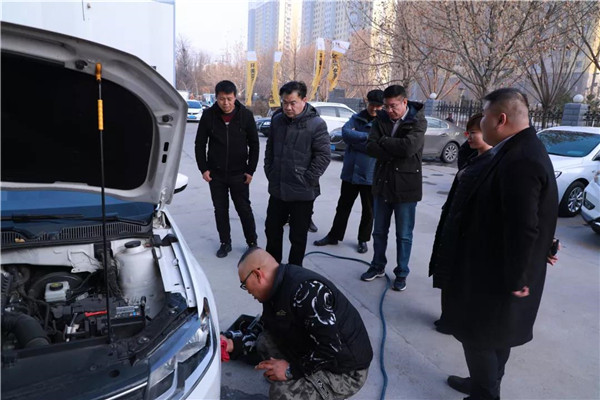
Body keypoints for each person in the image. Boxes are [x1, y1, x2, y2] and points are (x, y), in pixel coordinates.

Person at [441, 88, 558, 400]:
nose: (480, 123)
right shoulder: (517, 149)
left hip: (498, 272)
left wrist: (519, 277)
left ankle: (485, 393)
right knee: (495, 335)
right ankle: (484, 383)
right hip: (498, 265)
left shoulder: (521, 159)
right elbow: (533, 212)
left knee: (478, 336)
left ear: (500, 119)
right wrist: (547, 243)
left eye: (484, 116)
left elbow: (524, 226)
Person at [238, 247, 372, 400]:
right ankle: (299, 379)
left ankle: (319, 390)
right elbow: (267, 324)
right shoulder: (275, 289)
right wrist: (234, 343)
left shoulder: (307, 293)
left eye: (244, 284)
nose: (247, 290)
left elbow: (330, 348)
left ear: (257, 275)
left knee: (282, 394)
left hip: (345, 370)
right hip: (314, 349)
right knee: (264, 341)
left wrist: (290, 370)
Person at [428, 113, 492, 335]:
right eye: (468, 133)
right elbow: (464, 153)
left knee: (458, 278)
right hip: (453, 221)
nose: (469, 137)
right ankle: (447, 317)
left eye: (474, 133)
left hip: (466, 230)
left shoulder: (491, 163)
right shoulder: (474, 157)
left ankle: (455, 321)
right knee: (447, 273)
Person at [359, 85, 427, 291]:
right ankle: (377, 265)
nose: (389, 110)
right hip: (383, 183)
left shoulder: (418, 121)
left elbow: (408, 148)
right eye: (386, 106)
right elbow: (370, 146)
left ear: (404, 102)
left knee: (403, 235)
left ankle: (402, 272)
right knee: (379, 231)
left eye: (393, 106)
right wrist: (392, 147)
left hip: (406, 186)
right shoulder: (380, 119)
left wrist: (384, 141)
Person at [264, 81, 330, 266]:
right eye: (284, 102)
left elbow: (323, 156)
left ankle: (294, 270)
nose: (288, 107)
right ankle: (273, 268)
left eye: (292, 103)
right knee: (272, 230)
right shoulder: (277, 120)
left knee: (298, 236)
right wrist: (270, 170)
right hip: (278, 188)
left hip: (302, 192)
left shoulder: (316, 124)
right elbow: (270, 148)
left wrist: (307, 179)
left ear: (304, 100)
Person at [313, 89, 384, 253]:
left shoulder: (383, 123)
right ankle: (334, 236)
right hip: (351, 172)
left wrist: (357, 139)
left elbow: (378, 145)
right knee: (343, 206)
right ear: (367, 102)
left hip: (369, 173)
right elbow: (345, 134)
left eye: (378, 106)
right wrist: (367, 138)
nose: (374, 108)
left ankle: (363, 239)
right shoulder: (356, 117)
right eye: (372, 104)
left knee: (368, 210)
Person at [195, 80, 260, 258]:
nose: (226, 103)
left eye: (229, 99)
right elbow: (200, 144)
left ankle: (252, 242)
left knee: (244, 209)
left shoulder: (245, 115)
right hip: (216, 175)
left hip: (239, 174)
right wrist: (203, 169)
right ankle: (225, 242)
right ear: (216, 98)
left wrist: (250, 170)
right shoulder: (208, 116)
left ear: (235, 97)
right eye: (222, 99)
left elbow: (254, 145)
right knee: (220, 210)